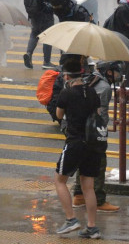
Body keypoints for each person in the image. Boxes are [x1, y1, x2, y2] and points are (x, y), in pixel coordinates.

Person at [53, 56, 103, 239]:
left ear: (66, 76)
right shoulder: (92, 92)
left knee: (60, 180)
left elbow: (59, 115)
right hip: (93, 143)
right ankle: (92, 227)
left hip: (75, 142)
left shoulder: (66, 93)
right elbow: (97, 114)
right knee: (88, 187)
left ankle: (71, 219)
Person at [71, 60, 121, 214]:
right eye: (117, 71)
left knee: (82, 160)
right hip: (93, 131)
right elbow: (102, 112)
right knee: (99, 164)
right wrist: (102, 130)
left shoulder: (88, 79)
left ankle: (78, 196)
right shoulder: (105, 87)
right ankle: (99, 200)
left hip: (79, 129)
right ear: (108, 71)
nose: (119, 75)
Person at [23, 0, 57, 69]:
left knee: (34, 33)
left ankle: (28, 53)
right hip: (45, 13)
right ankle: (46, 62)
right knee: (47, 36)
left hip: (33, 12)